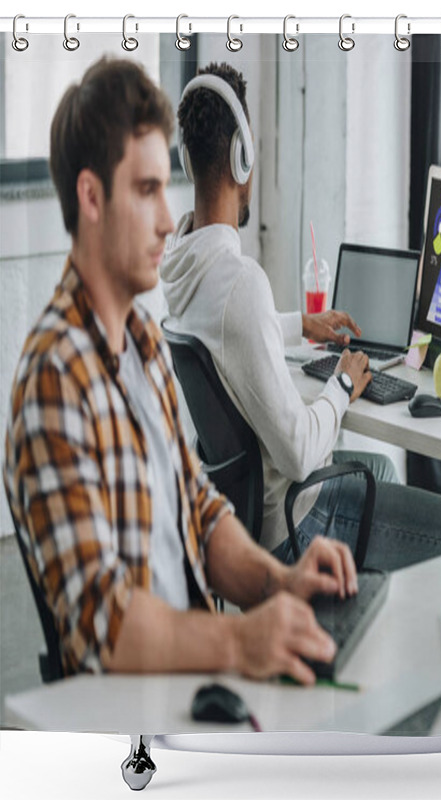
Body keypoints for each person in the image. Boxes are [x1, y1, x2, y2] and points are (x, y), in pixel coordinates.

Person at [2, 58, 357, 686]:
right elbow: (106, 626)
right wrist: (242, 638)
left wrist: (281, 581)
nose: (170, 221)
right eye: (145, 191)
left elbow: (199, 510)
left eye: (165, 187)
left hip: (192, 672)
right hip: (137, 710)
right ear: (91, 197)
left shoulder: (139, 340)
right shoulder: (55, 381)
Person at [160, 63, 441, 571]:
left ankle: (364, 620)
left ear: (188, 159)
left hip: (238, 517)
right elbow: (297, 453)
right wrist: (340, 386)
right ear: (242, 158)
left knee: (378, 467)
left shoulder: (183, 268)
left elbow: (231, 329)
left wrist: (299, 324)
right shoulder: (240, 282)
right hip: (292, 525)